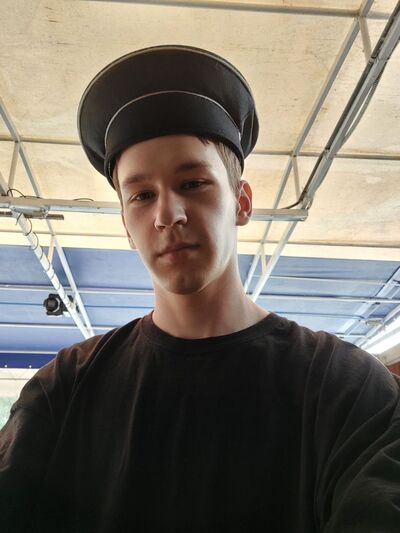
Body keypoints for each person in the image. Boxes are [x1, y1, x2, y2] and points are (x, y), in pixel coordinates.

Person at [1, 45, 399, 533]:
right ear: (127, 227)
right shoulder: (65, 389)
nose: (168, 215)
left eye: (192, 184)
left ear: (242, 202)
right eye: (142, 195)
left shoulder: (345, 387)